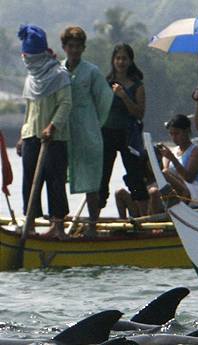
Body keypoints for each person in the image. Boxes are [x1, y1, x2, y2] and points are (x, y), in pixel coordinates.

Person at [16, 24, 72, 239]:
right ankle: (29, 223)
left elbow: (66, 104)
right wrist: (22, 136)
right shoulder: (31, 78)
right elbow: (29, 109)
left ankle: (58, 226)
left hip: (54, 138)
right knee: (30, 181)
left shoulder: (59, 74)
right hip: (32, 136)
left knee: (55, 181)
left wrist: (52, 126)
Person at [60, 26, 113, 236]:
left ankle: (93, 224)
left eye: (78, 46)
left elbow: (105, 98)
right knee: (57, 177)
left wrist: (93, 122)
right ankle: (58, 223)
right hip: (63, 131)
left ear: (83, 48)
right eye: (70, 46)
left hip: (88, 129)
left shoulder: (92, 71)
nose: (74, 50)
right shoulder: (58, 70)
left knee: (92, 181)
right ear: (64, 47)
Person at [99, 43, 149, 216]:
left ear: (130, 61)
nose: (121, 62)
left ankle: (146, 219)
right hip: (107, 134)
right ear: (113, 60)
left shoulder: (137, 85)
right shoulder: (105, 83)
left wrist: (123, 96)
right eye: (118, 58)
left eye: (124, 58)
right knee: (102, 177)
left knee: (135, 177)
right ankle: (94, 220)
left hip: (129, 135)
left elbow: (139, 114)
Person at [149, 114, 198, 214]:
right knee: (153, 191)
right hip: (174, 191)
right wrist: (165, 158)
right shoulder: (172, 151)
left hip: (193, 191)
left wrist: (172, 159)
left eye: (177, 134)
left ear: (187, 131)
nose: (174, 137)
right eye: (171, 134)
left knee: (165, 174)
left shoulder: (197, 150)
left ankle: (176, 208)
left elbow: (189, 177)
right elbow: (164, 173)